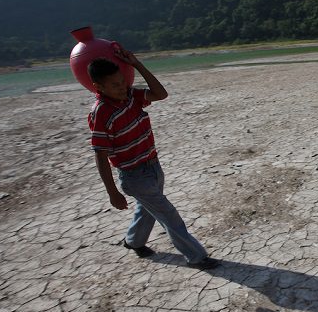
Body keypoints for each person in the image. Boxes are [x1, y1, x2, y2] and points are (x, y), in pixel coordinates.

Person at [87, 47, 219, 269]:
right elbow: (100, 156)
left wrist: (137, 64)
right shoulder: (101, 112)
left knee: (147, 209)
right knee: (169, 216)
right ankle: (196, 256)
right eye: (115, 85)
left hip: (152, 166)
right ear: (98, 87)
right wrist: (112, 192)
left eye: (123, 81)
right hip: (134, 175)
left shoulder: (131, 96)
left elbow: (161, 94)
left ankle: (133, 242)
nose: (121, 88)